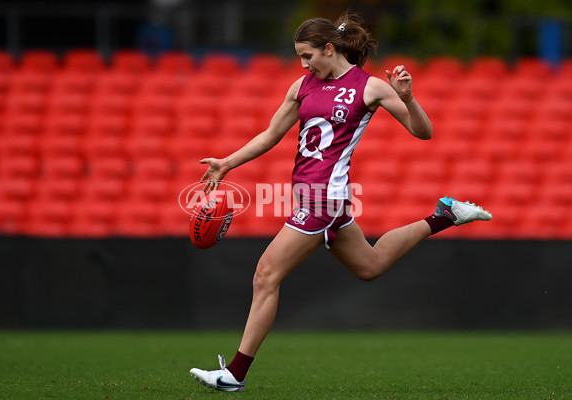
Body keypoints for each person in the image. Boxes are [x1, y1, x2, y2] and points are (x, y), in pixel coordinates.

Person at [189, 12, 492, 392]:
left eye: (307, 55)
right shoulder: (303, 86)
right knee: (371, 265)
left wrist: (409, 99)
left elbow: (423, 132)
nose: (302, 64)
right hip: (314, 198)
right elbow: (270, 135)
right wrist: (227, 163)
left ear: (328, 49)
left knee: (266, 275)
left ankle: (234, 374)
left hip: (324, 200)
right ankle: (445, 216)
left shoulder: (370, 88)